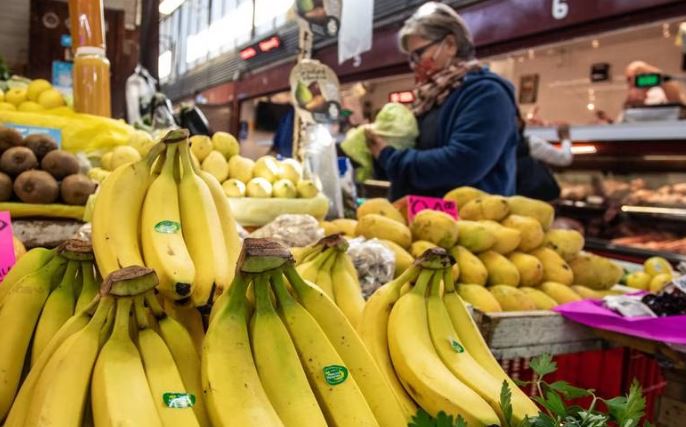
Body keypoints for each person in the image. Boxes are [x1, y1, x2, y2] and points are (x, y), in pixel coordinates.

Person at [365, 2, 518, 201]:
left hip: (469, 224)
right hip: (426, 221)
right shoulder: (431, 97)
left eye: (419, 54)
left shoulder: (487, 94)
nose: (414, 64)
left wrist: (389, 157)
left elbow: (463, 163)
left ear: (450, 45)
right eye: (411, 57)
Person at [515, 117, 572, 201]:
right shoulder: (531, 143)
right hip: (532, 201)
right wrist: (565, 139)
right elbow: (565, 159)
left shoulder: (494, 143)